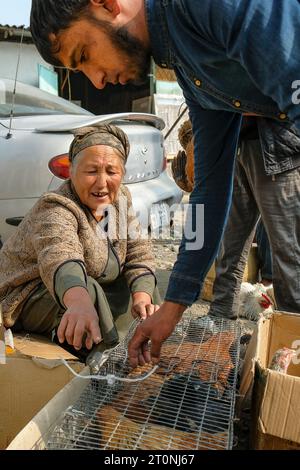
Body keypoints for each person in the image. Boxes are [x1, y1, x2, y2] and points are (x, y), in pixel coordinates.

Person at [30, 0, 300, 367]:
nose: (96, 80)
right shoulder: (190, 70)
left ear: (106, 4)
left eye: (84, 54)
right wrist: (172, 308)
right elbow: (208, 191)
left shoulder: (203, 8)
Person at [0, 124, 160, 360]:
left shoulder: (121, 198)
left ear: (122, 174)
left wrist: (143, 297)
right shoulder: (56, 207)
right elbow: (62, 259)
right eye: (91, 171)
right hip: (23, 297)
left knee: (143, 284)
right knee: (88, 290)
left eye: (111, 172)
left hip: (76, 287)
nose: (102, 183)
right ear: (71, 171)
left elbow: (138, 251)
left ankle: (147, 344)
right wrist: (79, 303)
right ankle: (102, 360)